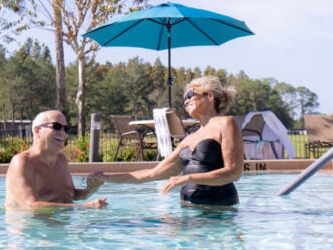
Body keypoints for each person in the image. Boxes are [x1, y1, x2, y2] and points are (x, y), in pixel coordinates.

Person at [93, 76, 244, 205]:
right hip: (188, 210)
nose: (186, 101)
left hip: (219, 211)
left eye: (190, 94)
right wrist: (105, 178)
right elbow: (152, 174)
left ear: (210, 96)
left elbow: (233, 173)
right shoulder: (188, 139)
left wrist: (188, 178)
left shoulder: (226, 123)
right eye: (184, 98)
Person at [5, 110, 107, 209]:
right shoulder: (23, 162)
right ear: (37, 130)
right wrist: (84, 206)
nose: (62, 133)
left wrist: (90, 189)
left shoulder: (61, 160)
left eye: (66, 129)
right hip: (34, 225)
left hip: (61, 223)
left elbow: (70, 194)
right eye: (56, 127)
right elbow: (30, 206)